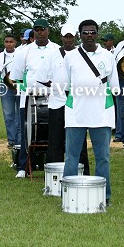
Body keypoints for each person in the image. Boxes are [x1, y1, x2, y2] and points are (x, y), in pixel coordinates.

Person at [63, 19, 119, 205]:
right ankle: (68, 195)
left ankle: (105, 196)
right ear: (80, 35)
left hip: (101, 114)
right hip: (76, 113)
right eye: (85, 32)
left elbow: (115, 86)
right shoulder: (70, 56)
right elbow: (64, 85)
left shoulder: (108, 56)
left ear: (97, 34)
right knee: (71, 156)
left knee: (102, 157)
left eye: (92, 32)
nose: (89, 35)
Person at [35, 24, 90, 175]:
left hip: (77, 101)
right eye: (66, 36)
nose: (68, 39)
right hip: (57, 101)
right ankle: (54, 173)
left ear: (75, 37)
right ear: (61, 37)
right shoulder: (52, 55)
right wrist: (55, 87)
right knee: (55, 140)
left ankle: (82, 172)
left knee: (79, 139)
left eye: (71, 36)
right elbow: (41, 77)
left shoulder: (82, 54)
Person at [9, 18, 60, 178]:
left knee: (53, 133)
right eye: (36, 29)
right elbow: (16, 77)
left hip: (53, 98)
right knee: (26, 133)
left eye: (42, 29)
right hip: (29, 98)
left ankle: (51, 165)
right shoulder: (23, 51)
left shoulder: (57, 50)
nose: (39, 32)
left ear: (48, 31)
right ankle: (23, 167)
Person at [0, 34, 21, 148]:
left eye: (11, 41)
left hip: (20, 87)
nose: (9, 44)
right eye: (6, 42)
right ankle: (11, 140)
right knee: (8, 115)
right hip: (5, 88)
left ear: (15, 43)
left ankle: (19, 140)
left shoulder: (21, 55)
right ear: (4, 43)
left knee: (19, 114)